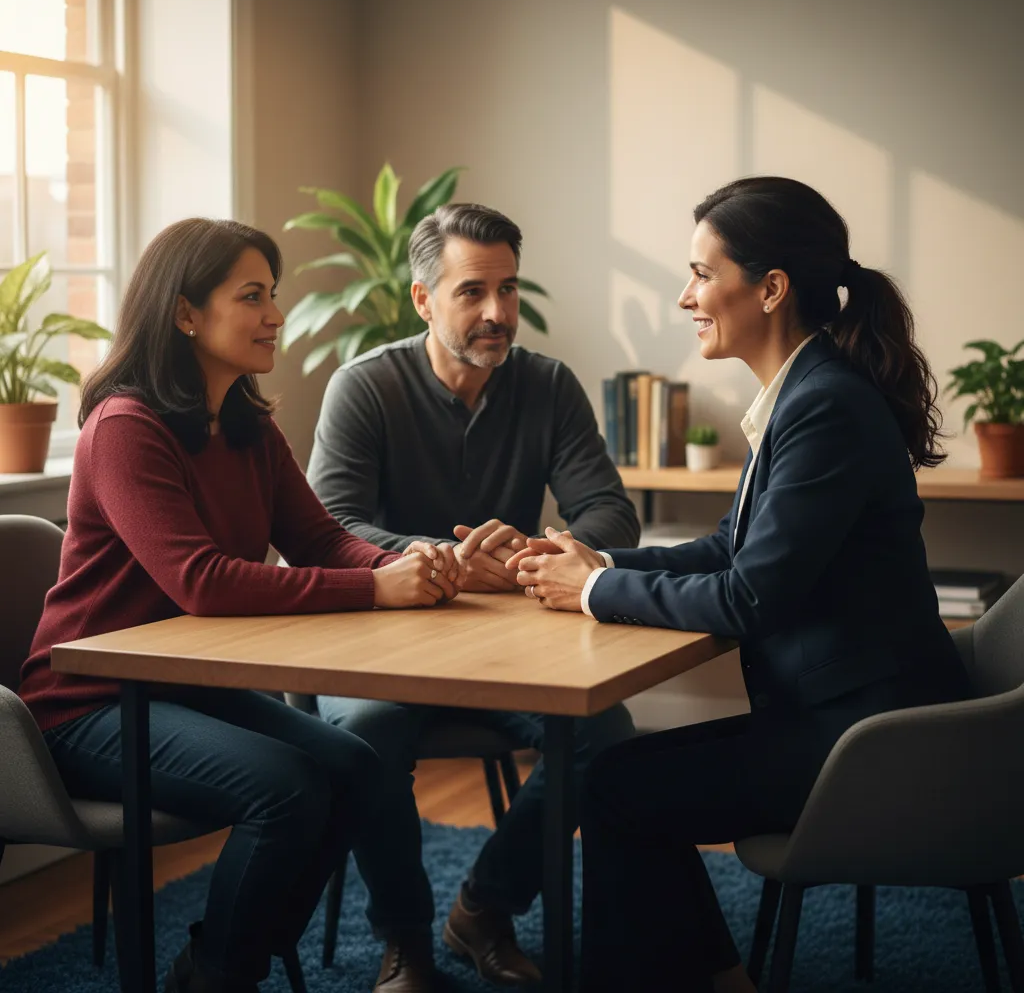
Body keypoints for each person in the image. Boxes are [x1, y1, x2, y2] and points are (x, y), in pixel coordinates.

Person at [505, 177, 972, 992]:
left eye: (699, 273)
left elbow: (748, 597)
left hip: (873, 744)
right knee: (616, 781)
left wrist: (590, 593)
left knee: (618, 790)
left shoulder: (823, 406)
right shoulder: (804, 391)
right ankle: (718, 978)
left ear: (770, 288)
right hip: (846, 717)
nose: (686, 296)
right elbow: (730, 547)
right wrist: (596, 566)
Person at [18, 218, 461, 993]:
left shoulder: (251, 426)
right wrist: (374, 586)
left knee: (356, 768)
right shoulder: (125, 427)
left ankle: (221, 964)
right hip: (86, 705)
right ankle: (219, 979)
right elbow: (203, 581)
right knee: (286, 789)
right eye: (251, 296)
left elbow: (320, 539)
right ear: (186, 312)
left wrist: (413, 566)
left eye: (273, 295)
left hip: (187, 688)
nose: (275, 315)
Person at [306, 203, 639, 991]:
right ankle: (405, 940)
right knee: (368, 735)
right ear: (423, 299)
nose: (497, 313)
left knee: (607, 733)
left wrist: (532, 551)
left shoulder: (548, 385)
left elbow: (610, 512)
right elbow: (329, 528)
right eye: (472, 292)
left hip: (510, 637)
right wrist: (446, 560)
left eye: (509, 289)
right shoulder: (364, 387)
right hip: (379, 638)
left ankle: (484, 907)